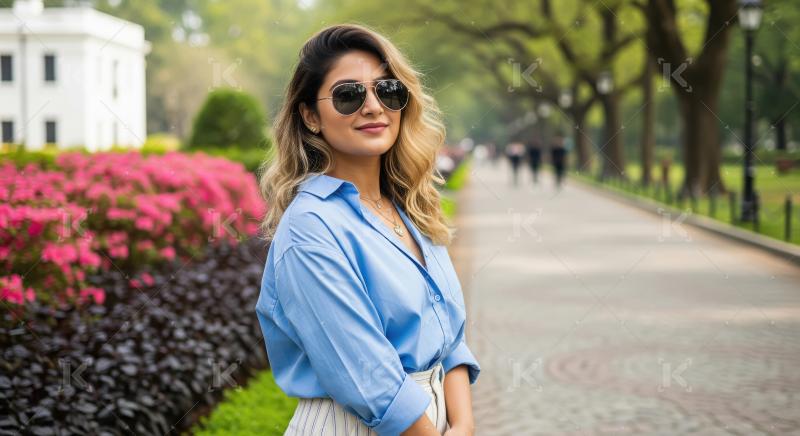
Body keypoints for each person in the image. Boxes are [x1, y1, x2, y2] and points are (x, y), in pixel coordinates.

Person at [256, 24, 480, 436]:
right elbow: (366, 373)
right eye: (348, 95)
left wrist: (463, 423)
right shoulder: (311, 228)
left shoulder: (410, 208)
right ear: (310, 116)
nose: (374, 107)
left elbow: (450, 337)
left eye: (387, 90)